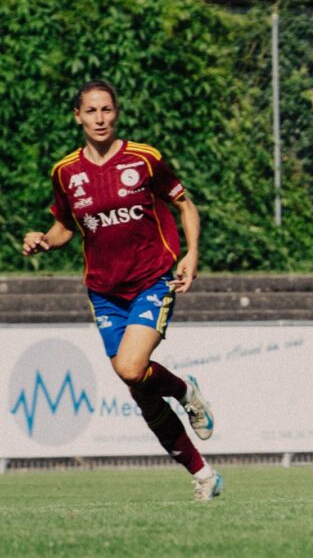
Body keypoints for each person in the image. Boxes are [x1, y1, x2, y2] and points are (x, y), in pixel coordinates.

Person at [22, 80, 221, 502]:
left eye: (106, 110)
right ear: (77, 116)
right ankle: (203, 474)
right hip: (104, 290)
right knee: (141, 392)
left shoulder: (144, 159)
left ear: (116, 113)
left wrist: (192, 254)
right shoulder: (66, 172)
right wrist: (42, 237)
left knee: (131, 368)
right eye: (91, 111)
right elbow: (64, 229)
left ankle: (186, 392)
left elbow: (185, 204)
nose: (99, 119)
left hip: (152, 278)